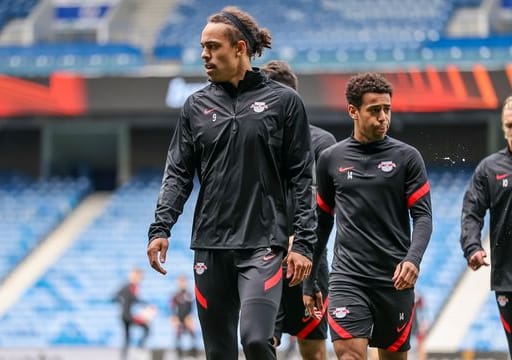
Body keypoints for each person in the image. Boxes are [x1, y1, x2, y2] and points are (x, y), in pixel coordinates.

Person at [147, 7, 317, 360]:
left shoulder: (285, 102)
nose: (204, 55)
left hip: (263, 245)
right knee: (219, 353)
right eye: (202, 47)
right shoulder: (194, 106)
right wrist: (160, 227)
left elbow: (302, 176)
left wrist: (303, 242)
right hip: (210, 246)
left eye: (213, 47)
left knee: (256, 340)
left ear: (239, 48)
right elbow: (178, 172)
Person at [305, 72, 433, 360]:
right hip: (348, 278)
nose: (383, 117)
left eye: (387, 109)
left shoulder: (408, 158)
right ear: (353, 111)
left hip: (394, 279)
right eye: (374, 110)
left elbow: (423, 217)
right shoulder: (330, 159)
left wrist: (413, 260)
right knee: (350, 355)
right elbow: (322, 223)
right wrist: (311, 279)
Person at [261, 60, 336, 360]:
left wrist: (300, 239)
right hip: (263, 260)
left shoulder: (320, 142)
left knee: (314, 352)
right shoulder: (256, 140)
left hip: (308, 262)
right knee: (260, 344)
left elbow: (326, 204)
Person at [460, 94, 512, 360]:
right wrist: (472, 246)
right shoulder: (489, 169)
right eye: (508, 126)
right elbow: (471, 212)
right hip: (508, 279)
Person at [112, 268, 153, 359]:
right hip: (127, 316)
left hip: (125, 315)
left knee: (127, 338)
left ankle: (124, 356)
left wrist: (121, 301)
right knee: (146, 327)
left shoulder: (129, 286)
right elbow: (115, 297)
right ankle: (139, 347)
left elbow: (116, 298)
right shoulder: (129, 286)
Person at [170, 275, 197, 358]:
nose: (182, 284)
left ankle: (193, 355)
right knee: (178, 336)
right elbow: (172, 308)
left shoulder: (189, 294)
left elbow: (192, 307)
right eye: (181, 282)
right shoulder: (175, 295)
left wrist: (190, 318)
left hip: (187, 318)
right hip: (179, 318)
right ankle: (179, 355)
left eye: (184, 282)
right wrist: (174, 318)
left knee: (193, 335)